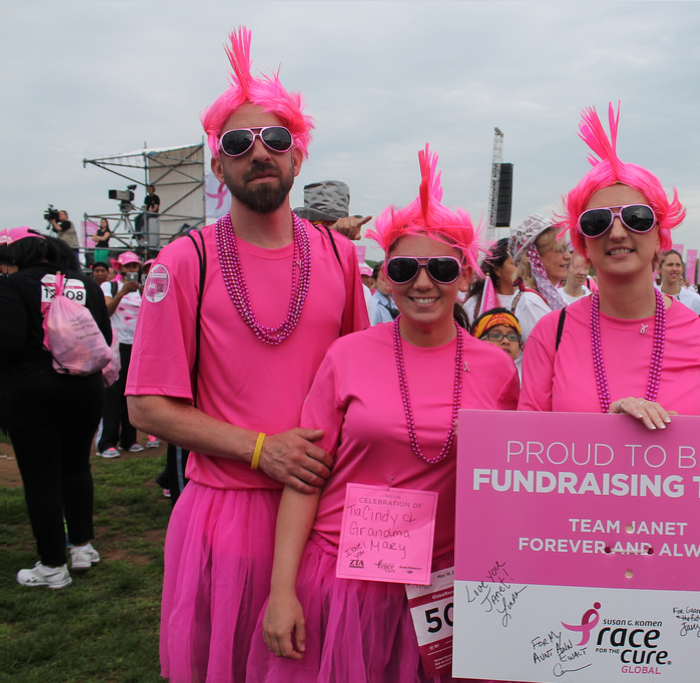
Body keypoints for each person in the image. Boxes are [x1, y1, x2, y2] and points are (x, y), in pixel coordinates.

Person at [128, 27, 366, 683]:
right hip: (223, 516)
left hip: (324, 514)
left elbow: (357, 390)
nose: (258, 152)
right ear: (217, 164)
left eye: (275, 139)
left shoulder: (343, 258)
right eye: (237, 142)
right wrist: (262, 447)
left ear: (298, 157)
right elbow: (147, 403)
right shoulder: (184, 262)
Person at [255, 145, 517, 681]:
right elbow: (306, 477)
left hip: (446, 583)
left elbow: (517, 484)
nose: (423, 282)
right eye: (405, 267)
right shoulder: (346, 355)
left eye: (441, 267)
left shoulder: (498, 369)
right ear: (384, 278)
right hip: (346, 577)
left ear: (465, 277)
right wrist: (281, 591)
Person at [520, 103, 700, 426]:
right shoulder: (551, 335)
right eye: (597, 221)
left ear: (660, 236)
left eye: (636, 218)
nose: (617, 232)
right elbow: (525, 451)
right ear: (584, 243)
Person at [0, 236, 113, 588]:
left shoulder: (14, 285)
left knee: (40, 478)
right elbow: (103, 334)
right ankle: (81, 547)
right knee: (77, 467)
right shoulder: (87, 285)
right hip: (86, 389)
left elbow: (9, 343)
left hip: (34, 391)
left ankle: (52, 565)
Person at [98, 252, 147, 457]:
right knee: (112, 394)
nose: (131, 271)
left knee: (132, 394)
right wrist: (122, 293)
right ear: (119, 268)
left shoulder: (142, 289)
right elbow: (105, 311)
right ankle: (107, 442)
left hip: (137, 347)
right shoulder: (109, 286)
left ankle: (129, 439)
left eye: (135, 266)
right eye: (127, 267)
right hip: (115, 346)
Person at [462, 237, 550, 334]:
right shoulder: (474, 304)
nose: (523, 268)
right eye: (515, 264)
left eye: (524, 263)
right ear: (497, 270)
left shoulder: (533, 299)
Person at [510, 211, 575, 314]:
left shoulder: (554, 297)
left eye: (567, 249)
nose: (568, 256)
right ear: (535, 257)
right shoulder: (530, 301)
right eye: (559, 250)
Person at [658, 248, 700, 316]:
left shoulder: (695, 300)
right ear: (659, 269)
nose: (674, 269)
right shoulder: (651, 298)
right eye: (670, 265)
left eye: (678, 265)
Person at [472, 306, 524, 371]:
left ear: (519, 349)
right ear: (476, 345)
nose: (506, 341)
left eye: (512, 337)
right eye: (496, 336)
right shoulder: (465, 379)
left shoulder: (526, 380)